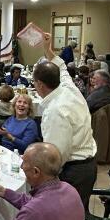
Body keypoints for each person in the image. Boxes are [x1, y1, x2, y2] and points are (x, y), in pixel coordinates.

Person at [31, 32, 97, 208]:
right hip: (88, 163)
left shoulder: (55, 111)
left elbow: (56, 157)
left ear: (39, 85)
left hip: (74, 171)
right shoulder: (69, 88)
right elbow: (61, 67)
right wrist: (47, 49)